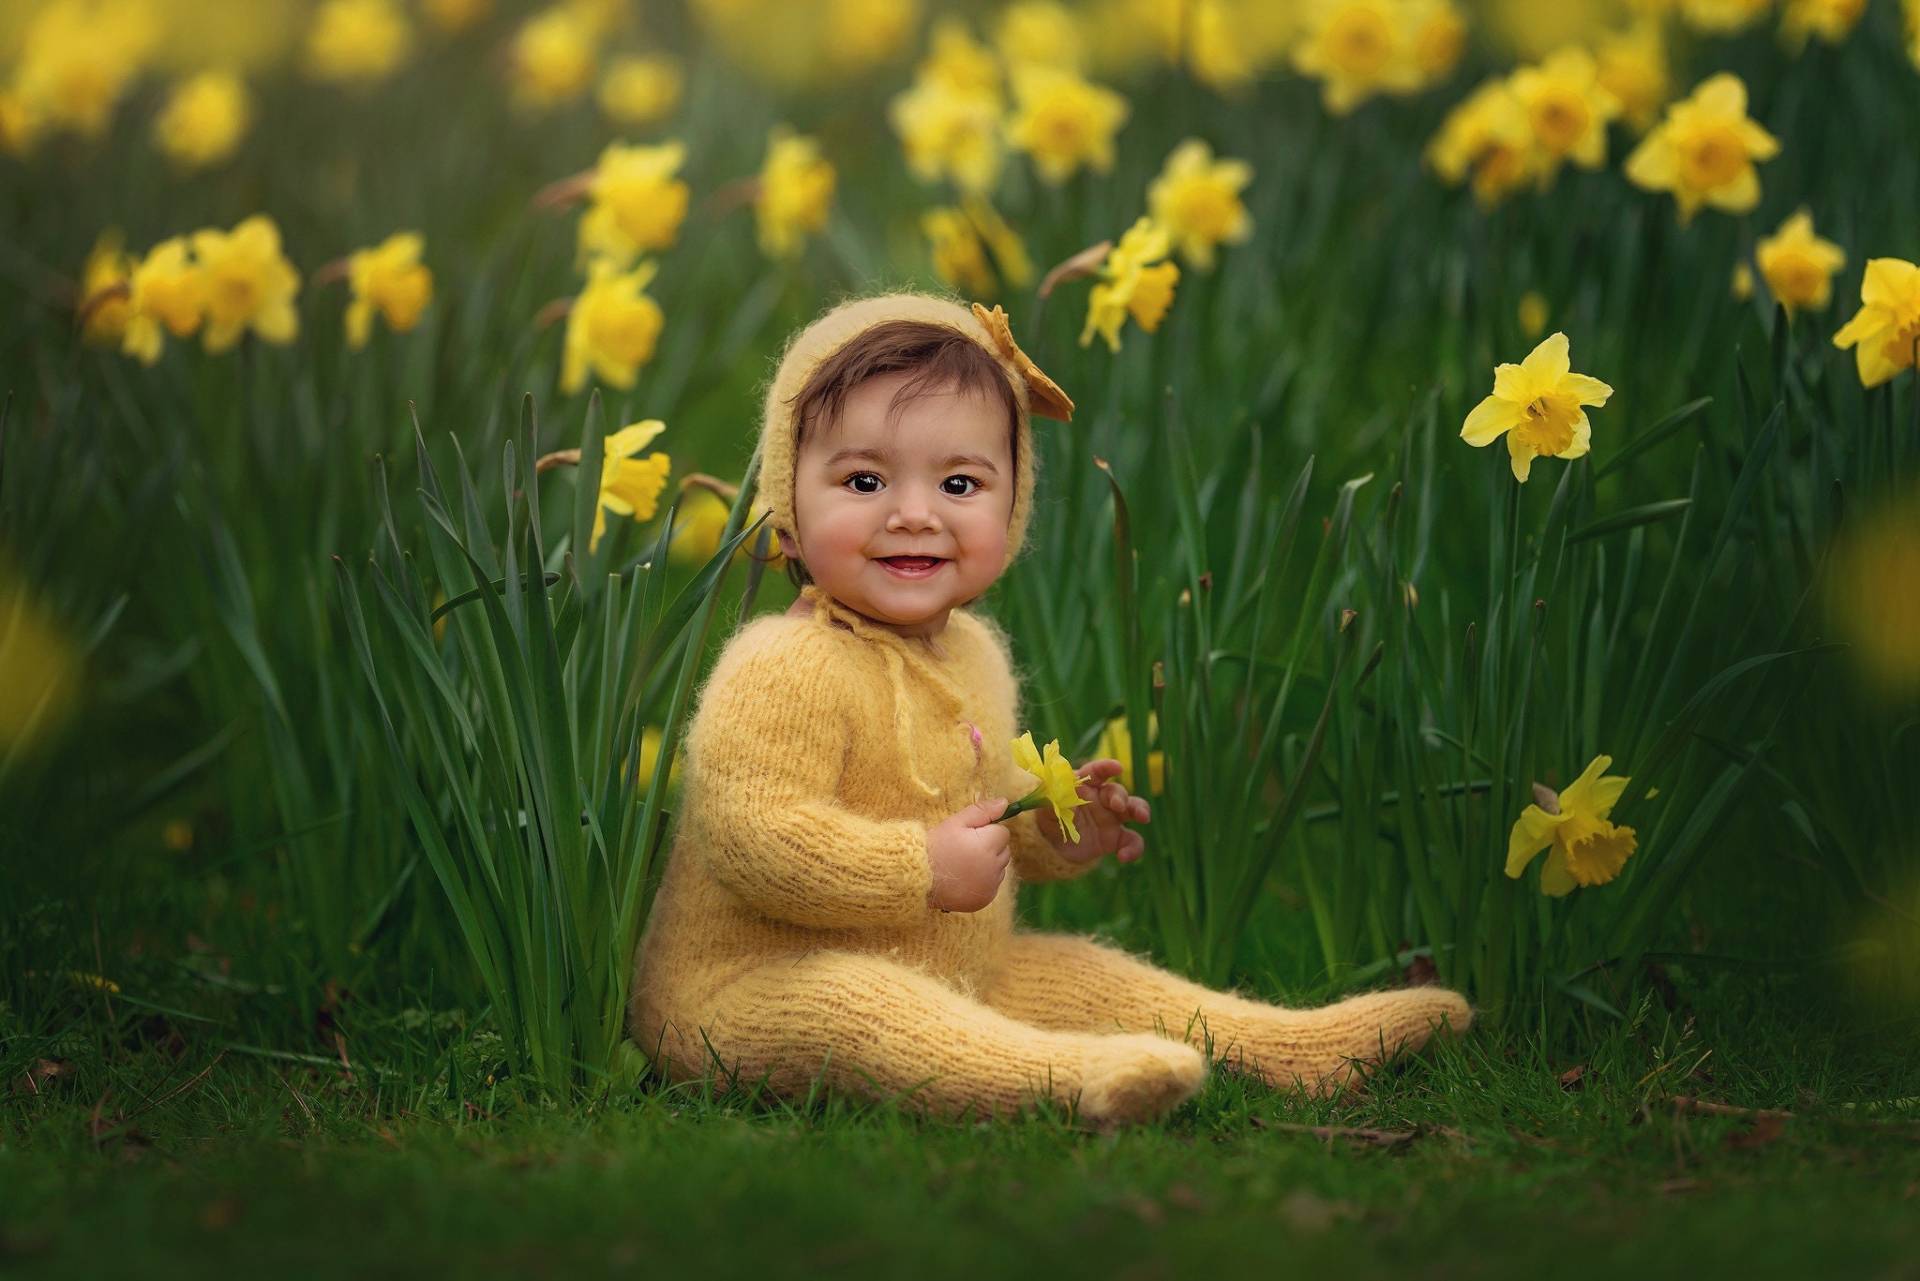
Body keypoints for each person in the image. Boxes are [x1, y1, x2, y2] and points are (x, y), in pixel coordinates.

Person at [629, 293, 1470, 1126]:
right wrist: (921, 867)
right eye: (863, 479)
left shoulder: (976, 654)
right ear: (789, 502)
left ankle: (1291, 1050)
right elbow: (756, 838)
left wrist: (1054, 832)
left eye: (960, 481)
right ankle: (1073, 1079)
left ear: (1012, 506)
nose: (914, 512)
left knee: (1086, 976)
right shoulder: (783, 665)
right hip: (760, 983)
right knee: (864, 1006)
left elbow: (986, 805)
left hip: (951, 968)